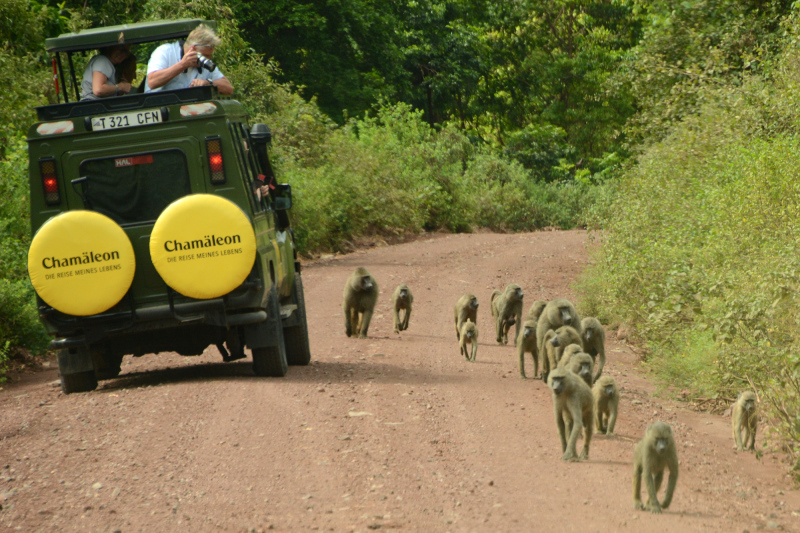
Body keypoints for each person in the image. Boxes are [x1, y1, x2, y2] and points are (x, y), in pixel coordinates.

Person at [144, 24, 233, 95]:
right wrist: (182, 65)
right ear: (192, 49)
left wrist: (208, 83)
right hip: (160, 109)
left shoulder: (205, 63)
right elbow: (152, 82)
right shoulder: (165, 52)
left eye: (210, 56)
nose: (209, 59)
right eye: (205, 55)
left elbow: (229, 88)